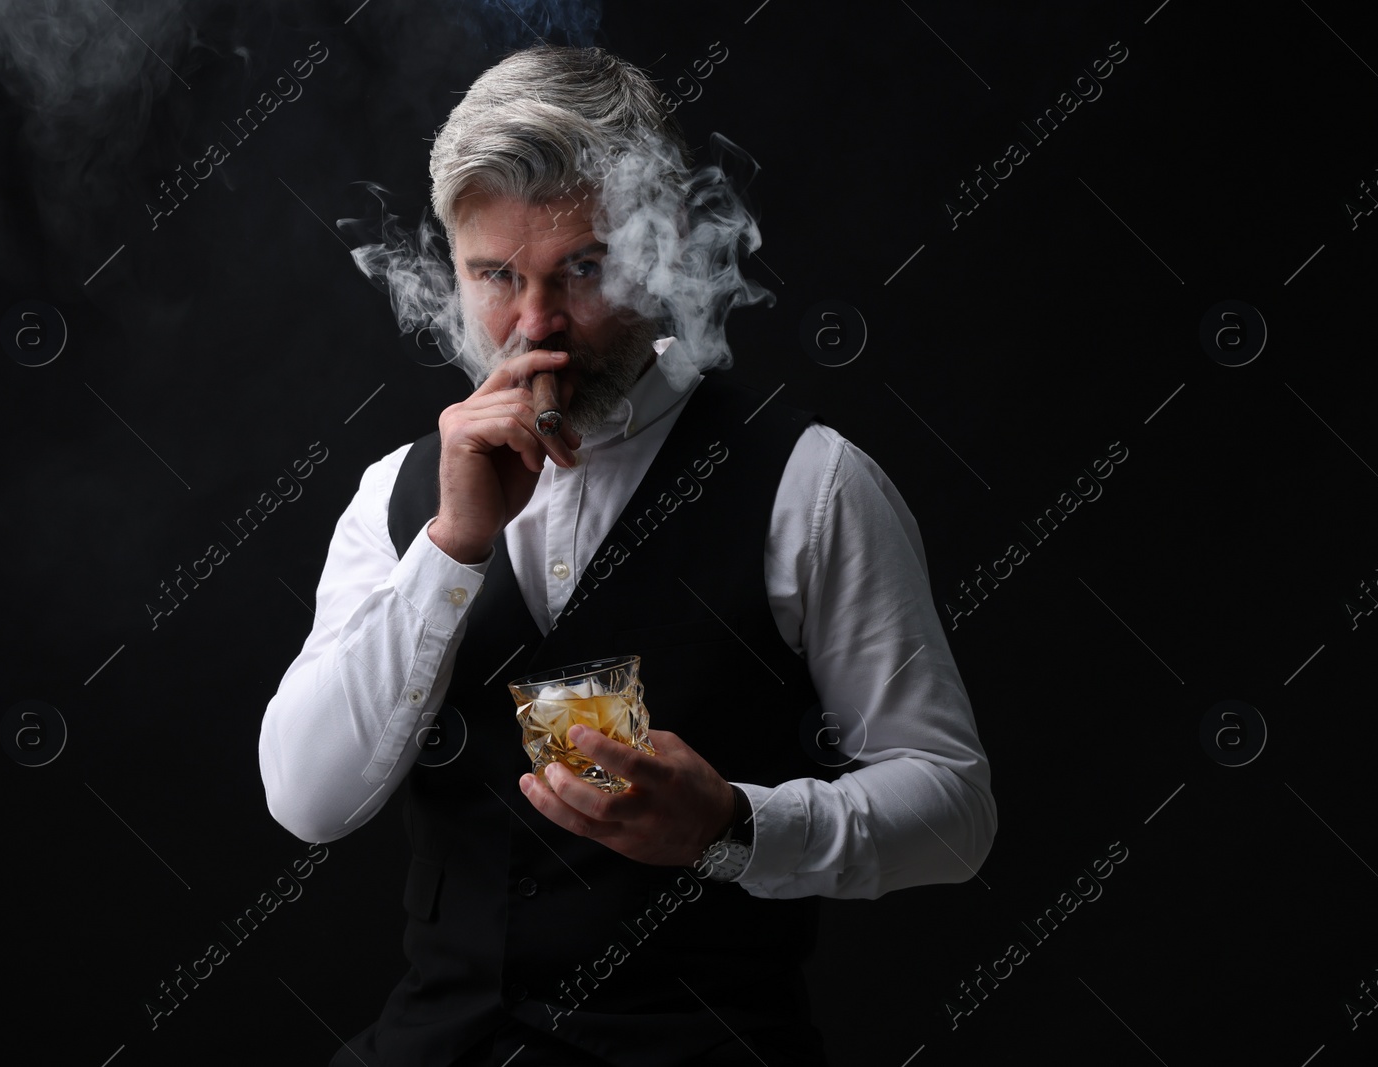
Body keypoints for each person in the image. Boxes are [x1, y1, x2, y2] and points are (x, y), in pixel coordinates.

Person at [259, 44, 995, 1067]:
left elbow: (954, 811)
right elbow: (307, 798)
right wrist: (451, 545)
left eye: (582, 270)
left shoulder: (811, 483)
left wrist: (735, 825)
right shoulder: (397, 492)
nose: (534, 327)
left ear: (666, 250)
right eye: (495, 276)